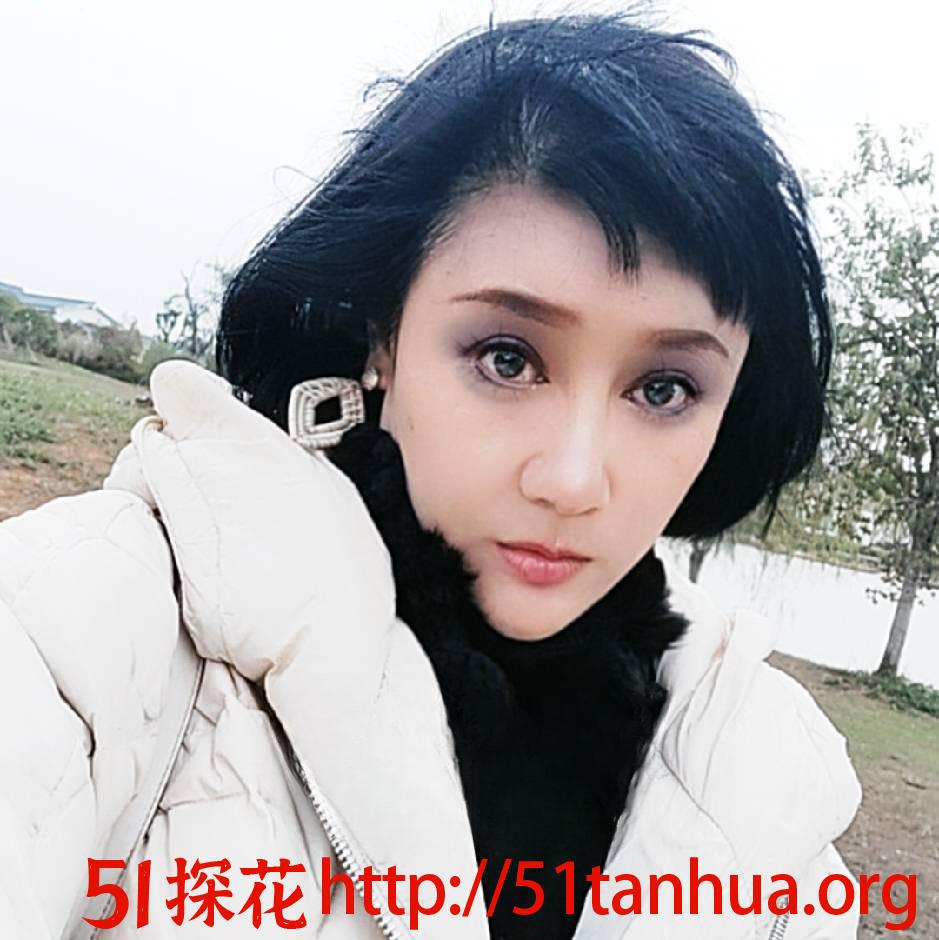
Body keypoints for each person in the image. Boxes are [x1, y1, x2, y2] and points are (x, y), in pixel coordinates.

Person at [0, 14, 862, 940]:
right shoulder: (83, 630)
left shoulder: (765, 790)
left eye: (662, 389)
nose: (572, 481)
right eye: (506, 358)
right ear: (384, 337)